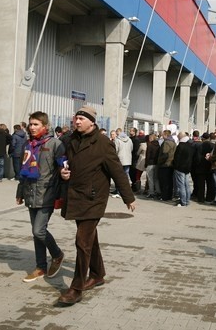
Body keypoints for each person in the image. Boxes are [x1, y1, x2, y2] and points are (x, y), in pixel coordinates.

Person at [58, 106, 136, 306]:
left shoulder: (103, 143)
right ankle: (98, 273)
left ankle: (76, 288)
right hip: (76, 196)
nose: (77, 122)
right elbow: (66, 162)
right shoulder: (72, 139)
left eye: (81, 119)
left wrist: (128, 197)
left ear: (92, 122)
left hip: (93, 199)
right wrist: (64, 172)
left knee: (81, 241)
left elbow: (117, 171)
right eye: (76, 118)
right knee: (89, 240)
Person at [16, 111, 65, 283]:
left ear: (45, 126)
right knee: (36, 233)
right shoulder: (27, 144)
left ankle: (57, 254)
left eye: (36, 124)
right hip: (30, 192)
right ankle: (40, 267)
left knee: (39, 230)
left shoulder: (55, 144)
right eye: (30, 124)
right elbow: (23, 169)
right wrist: (20, 191)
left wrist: (63, 192)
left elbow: (62, 168)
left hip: (47, 194)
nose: (32, 127)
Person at [172, 131, 193, 207]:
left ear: (180, 137)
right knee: (186, 185)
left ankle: (183, 201)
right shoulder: (190, 145)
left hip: (180, 168)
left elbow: (177, 158)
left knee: (181, 185)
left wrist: (175, 166)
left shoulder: (180, 146)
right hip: (187, 168)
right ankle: (187, 200)